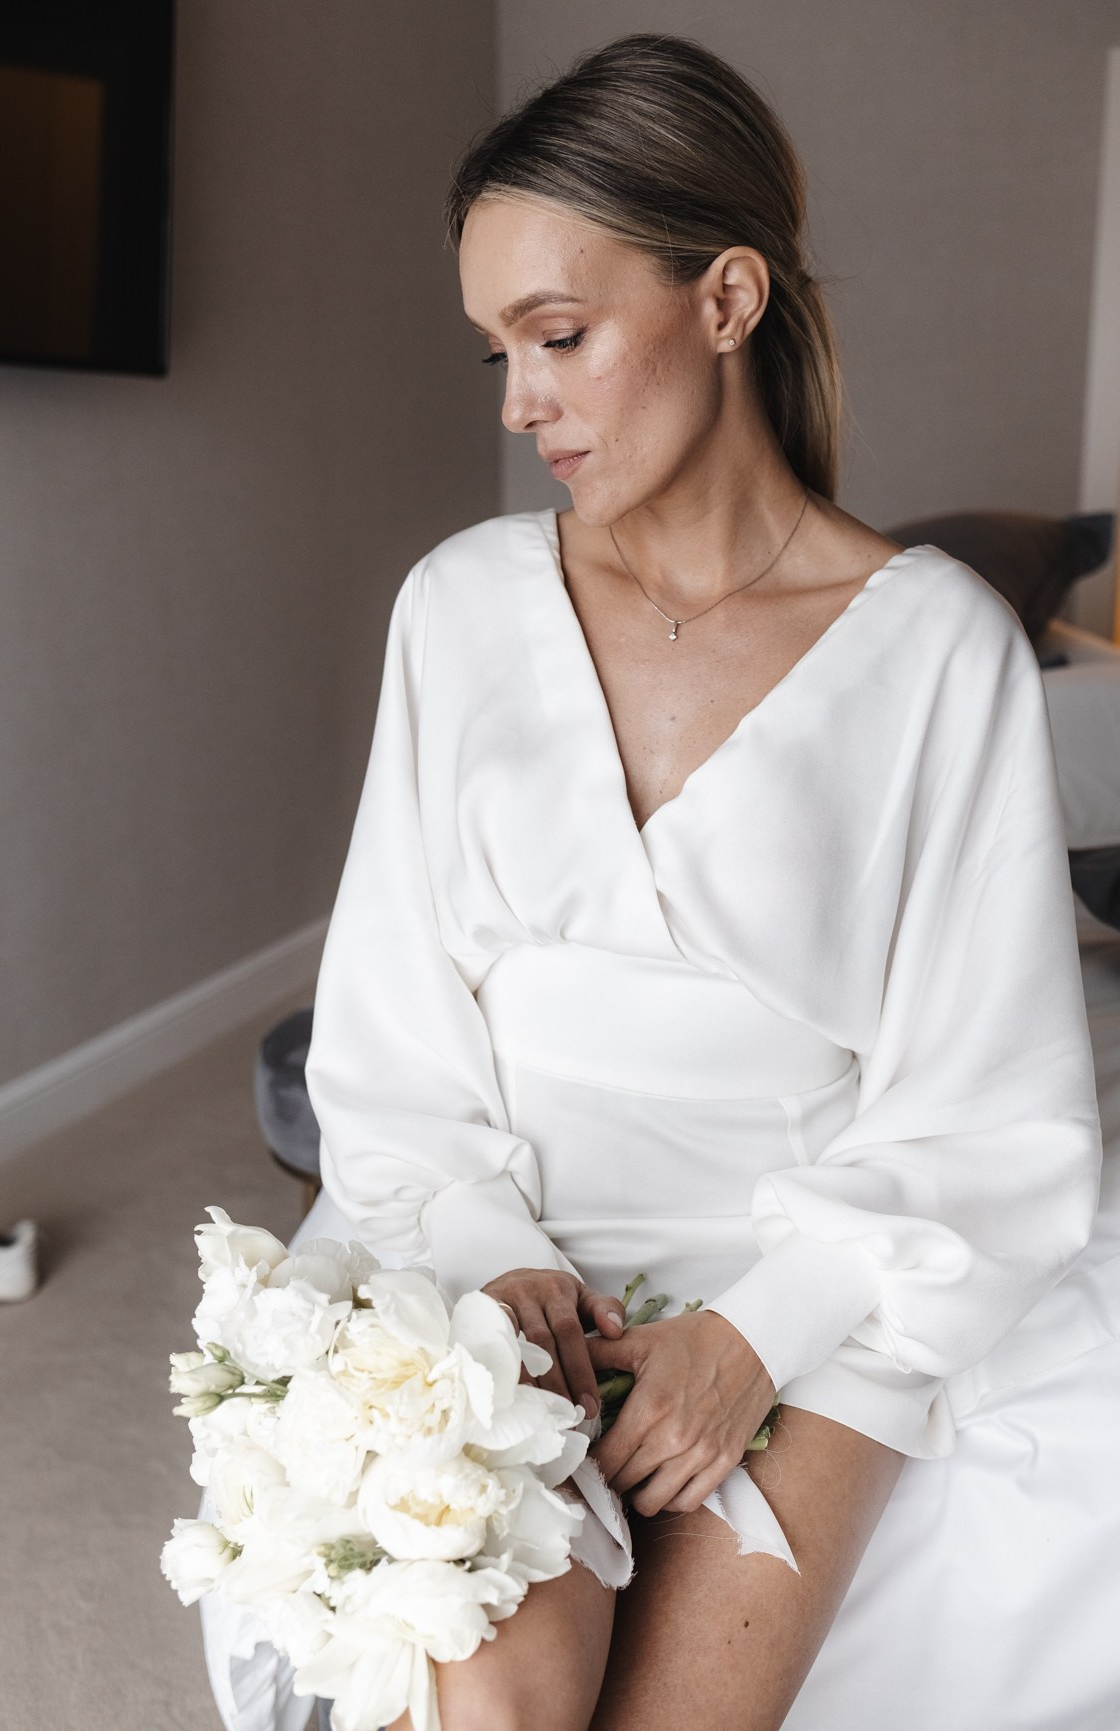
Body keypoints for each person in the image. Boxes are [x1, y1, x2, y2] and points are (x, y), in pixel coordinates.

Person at [302, 33, 1114, 1731]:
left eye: (558, 336)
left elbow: (988, 1100)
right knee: (494, 1691)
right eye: (498, 350)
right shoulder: (459, 606)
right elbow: (387, 1023)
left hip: (809, 1264)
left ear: (726, 299)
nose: (517, 403)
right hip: (498, 1238)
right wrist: (490, 1259)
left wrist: (758, 1330)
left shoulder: (937, 650)